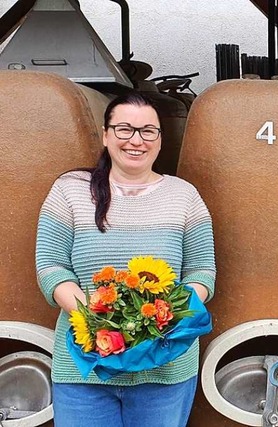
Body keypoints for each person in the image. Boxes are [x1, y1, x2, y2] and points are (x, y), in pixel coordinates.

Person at [35, 92, 215, 427]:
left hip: (165, 365)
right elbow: (51, 266)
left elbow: (202, 271)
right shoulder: (69, 190)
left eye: (148, 131)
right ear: (106, 135)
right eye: (124, 129)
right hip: (85, 368)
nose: (136, 140)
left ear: (160, 140)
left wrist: (165, 318)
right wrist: (96, 317)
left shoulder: (184, 196)